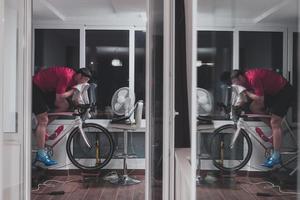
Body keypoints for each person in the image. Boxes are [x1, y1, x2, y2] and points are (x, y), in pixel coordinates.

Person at [221, 68, 295, 168]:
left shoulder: (253, 78)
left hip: (284, 91)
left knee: (275, 122)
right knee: (253, 107)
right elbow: (243, 98)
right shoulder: (242, 82)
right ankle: (274, 130)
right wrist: (234, 108)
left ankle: (277, 155)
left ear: (240, 77)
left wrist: (246, 92)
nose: (237, 86)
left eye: (237, 83)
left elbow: (260, 99)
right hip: (273, 92)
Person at [32, 66, 92, 166]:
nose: (83, 83)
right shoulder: (67, 76)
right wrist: (73, 90)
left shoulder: (75, 80)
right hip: (35, 86)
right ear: (79, 76)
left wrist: (82, 105)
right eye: (84, 80)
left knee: (65, 106)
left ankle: (41, 128)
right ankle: (41, 154)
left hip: (46, 89)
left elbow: (69, 98)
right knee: (43, 119)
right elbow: (59, 97)